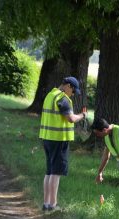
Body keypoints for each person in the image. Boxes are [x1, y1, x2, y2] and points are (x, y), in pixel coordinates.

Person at [39, 76, 87, 211]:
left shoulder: (50, 95)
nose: (72, 94)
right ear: (68, 86)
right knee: (56, 173)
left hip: (47, 138)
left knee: (49, 172)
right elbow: (71, 118)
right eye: (73, 91)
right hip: (59, 140)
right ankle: (53, 205)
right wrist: (82, 116)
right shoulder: (63, 98)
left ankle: (46, 203)